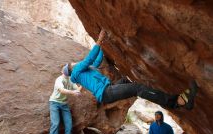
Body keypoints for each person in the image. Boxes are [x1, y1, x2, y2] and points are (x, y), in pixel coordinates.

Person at [64, 29, 198, 110]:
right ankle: (176, 101)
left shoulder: (85, 71)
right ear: (71, 68)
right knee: (137, 88)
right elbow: (88, 60)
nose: (75, 62)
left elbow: (96, 61)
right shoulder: (76, 71)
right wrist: (98, 40)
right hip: (107, 92)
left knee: (125, 81)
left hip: (109, 89)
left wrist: (102, 45)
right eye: (72, 63)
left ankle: (147, 93)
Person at [49, 65, 81, 134]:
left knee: (69, 123)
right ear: (62, 72)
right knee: (55, 123)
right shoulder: (59, 80)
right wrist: (73, 92)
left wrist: (81, 86)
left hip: (64, 104)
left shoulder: (71, 80)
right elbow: (62, 90)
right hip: (54, 103)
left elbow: (77, 90)